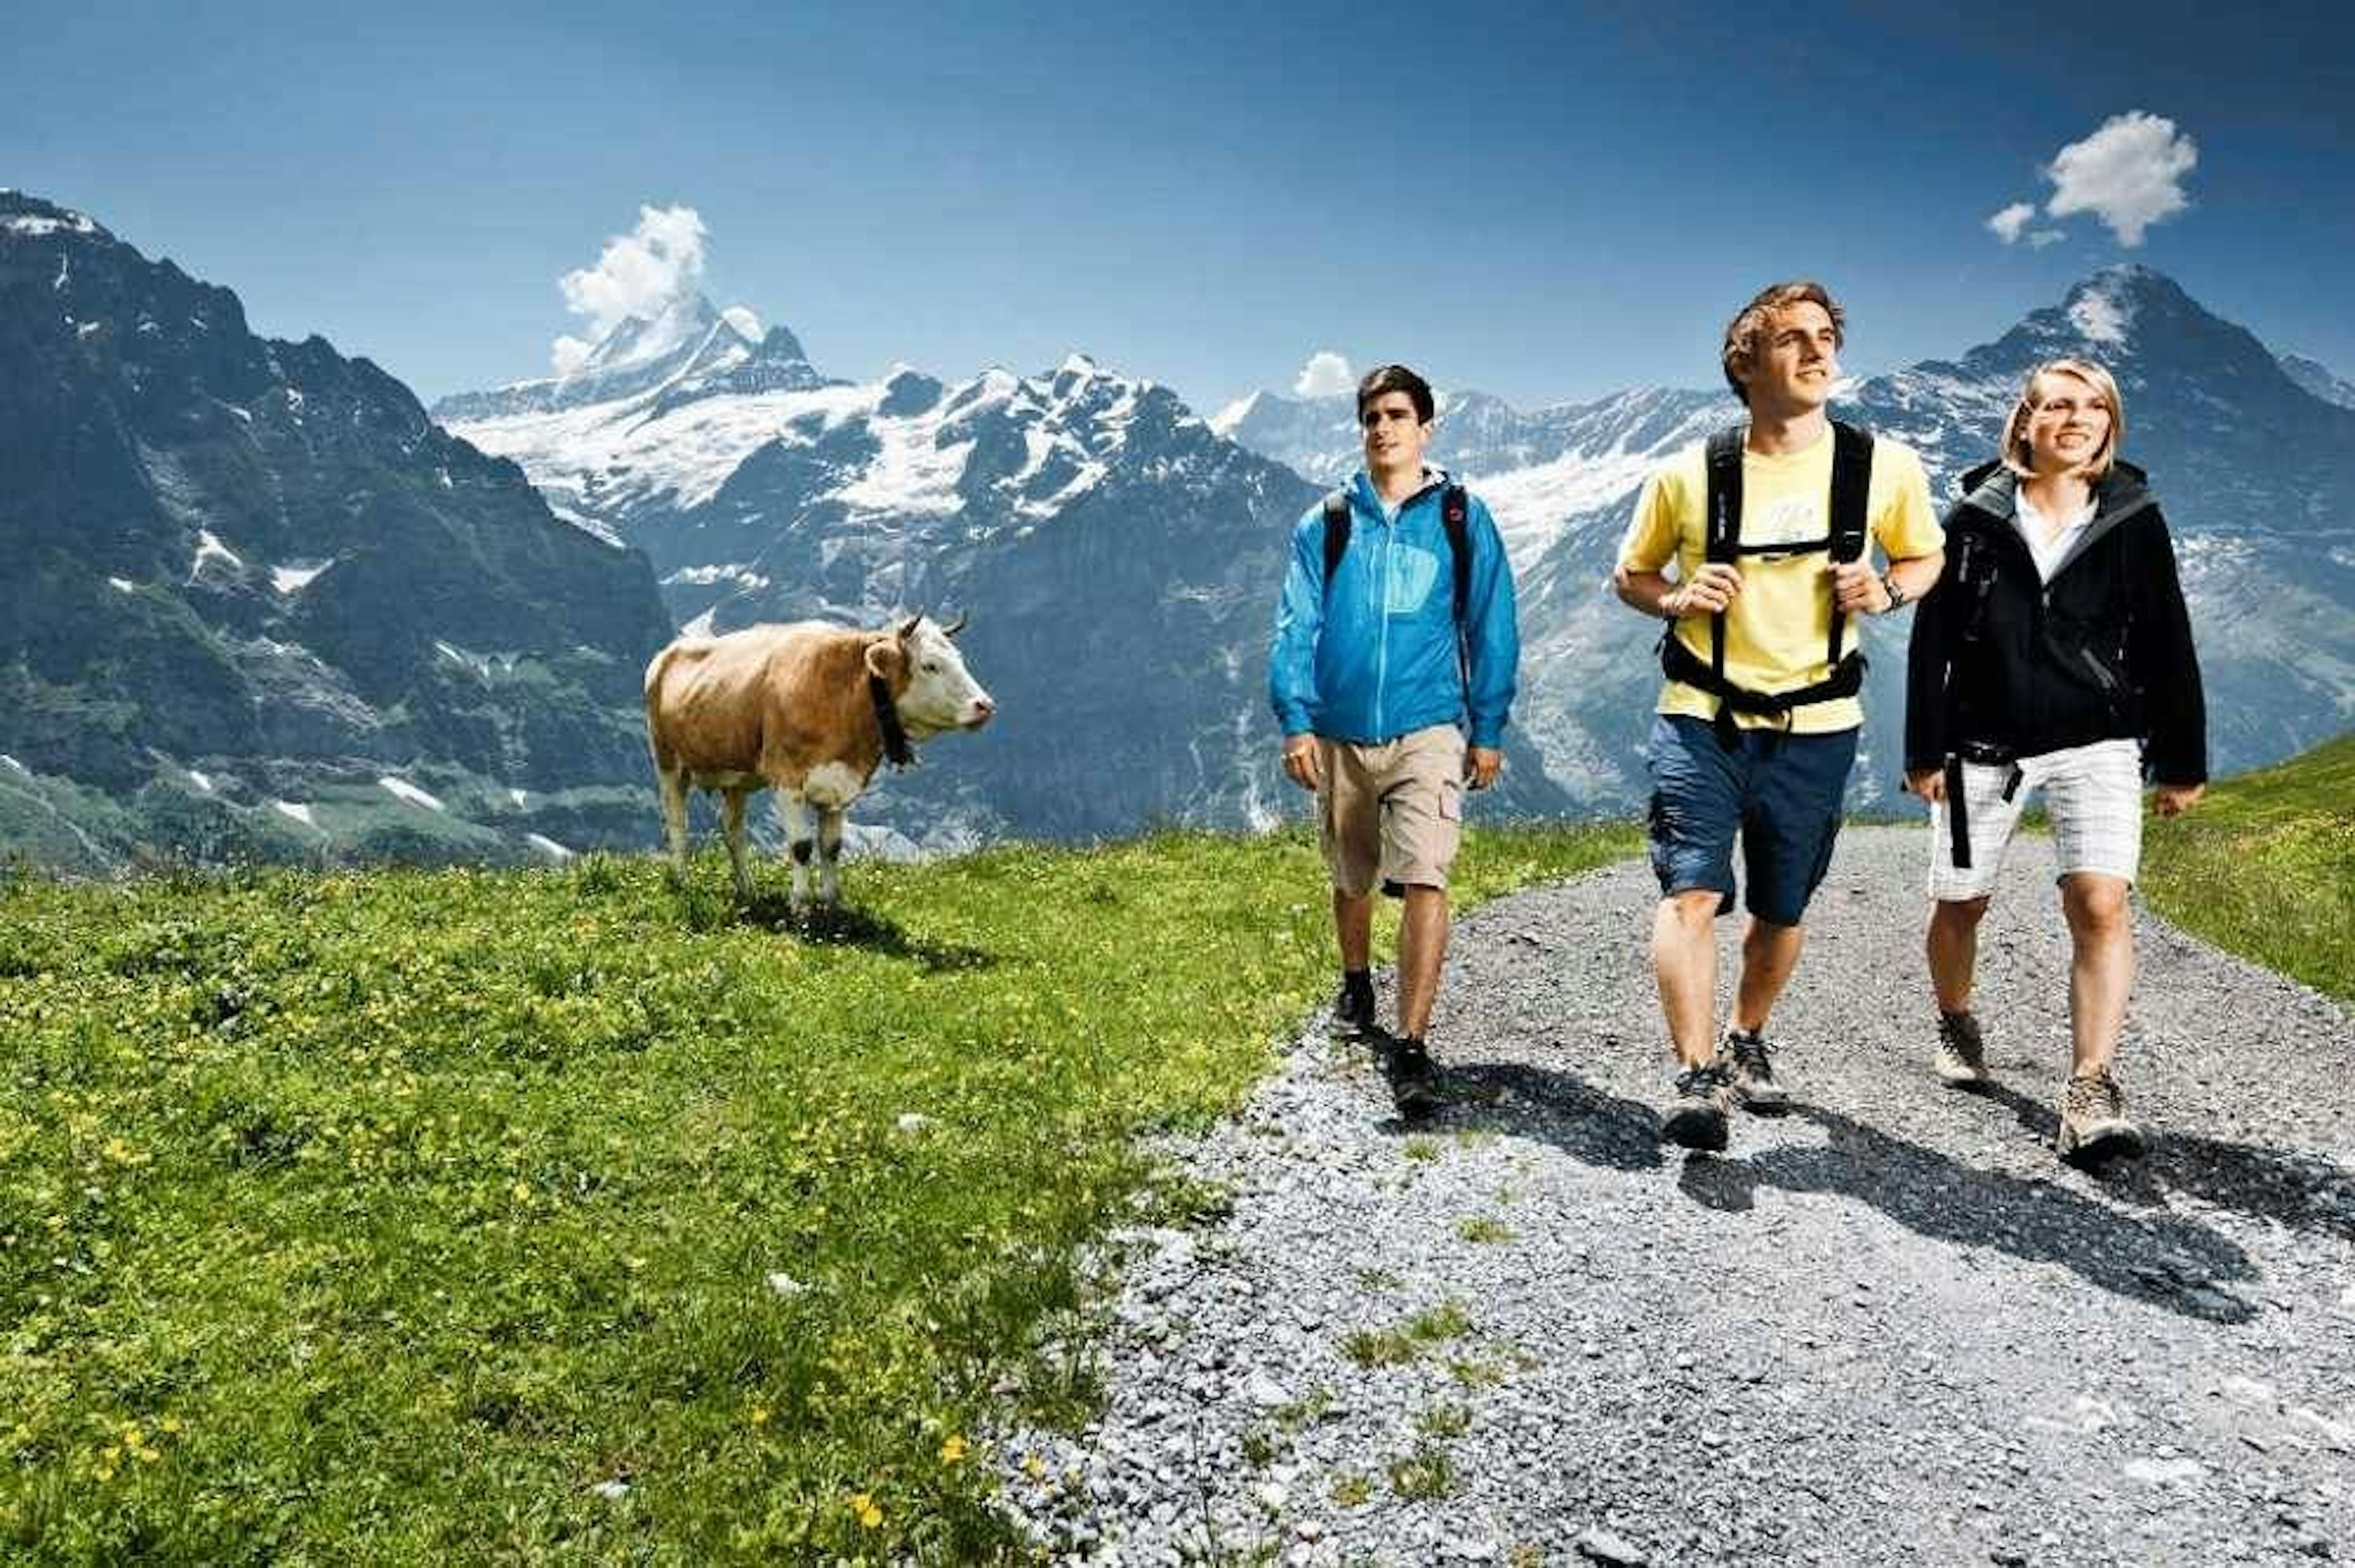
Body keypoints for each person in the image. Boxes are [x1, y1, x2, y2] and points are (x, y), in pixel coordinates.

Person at [1612, 281, 1944, 1152]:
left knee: (1782, 908)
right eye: (1793, 337)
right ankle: (1697, 1077)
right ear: (1746, 363)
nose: (1817, 349)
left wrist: (1888, 589)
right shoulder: (1688, 475)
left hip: (1819, 721)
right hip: (1701, 716)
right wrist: (1677, 596)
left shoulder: (1883, 468)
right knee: (1691, 889)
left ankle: (1745, 1035)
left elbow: (1926, 555)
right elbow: (1631, 575)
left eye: (1826, 335)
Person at [1903, 357, 2205, 1165]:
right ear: (2026, 423)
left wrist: (2181, 758)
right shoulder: (1974, 519)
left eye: (2094, 407)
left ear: (2111, 425)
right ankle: (1956, 1019)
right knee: (1961, 902)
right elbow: (1932, 640)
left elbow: (2168, 639)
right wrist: (1923, 748)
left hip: (2099, 740)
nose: (2077, 420)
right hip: (1981, 746)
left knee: (2101, 903)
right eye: (2060, 406)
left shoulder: (2134, 518)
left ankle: (2091, 1088)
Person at [1269, 363, 1520, 1117]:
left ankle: (1412, 1042)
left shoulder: (1461, 518)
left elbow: (1492, 624)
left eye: (1398, 416)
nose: (1384, 429)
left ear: (1426, 428)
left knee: (1425, 877)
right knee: (1352, 875)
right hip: (1340, 729)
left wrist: (1488, 726)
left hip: (1428, 726)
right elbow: (1296, 625)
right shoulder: (1326, 523)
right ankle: (1357, 983)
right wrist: (1296, 718)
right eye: (1373, 418)